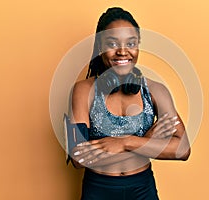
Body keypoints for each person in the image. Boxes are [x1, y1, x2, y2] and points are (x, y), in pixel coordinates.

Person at [70, 7, 190, 200]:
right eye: (112, 43)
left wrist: (126, 142)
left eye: (131, 43)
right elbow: (78, 157)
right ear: (100, 47)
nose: (123, 51)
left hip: (142, 190)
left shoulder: (156, 91)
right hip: (99, 191)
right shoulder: (84, 90)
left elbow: (183, 149)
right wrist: (149, 143)